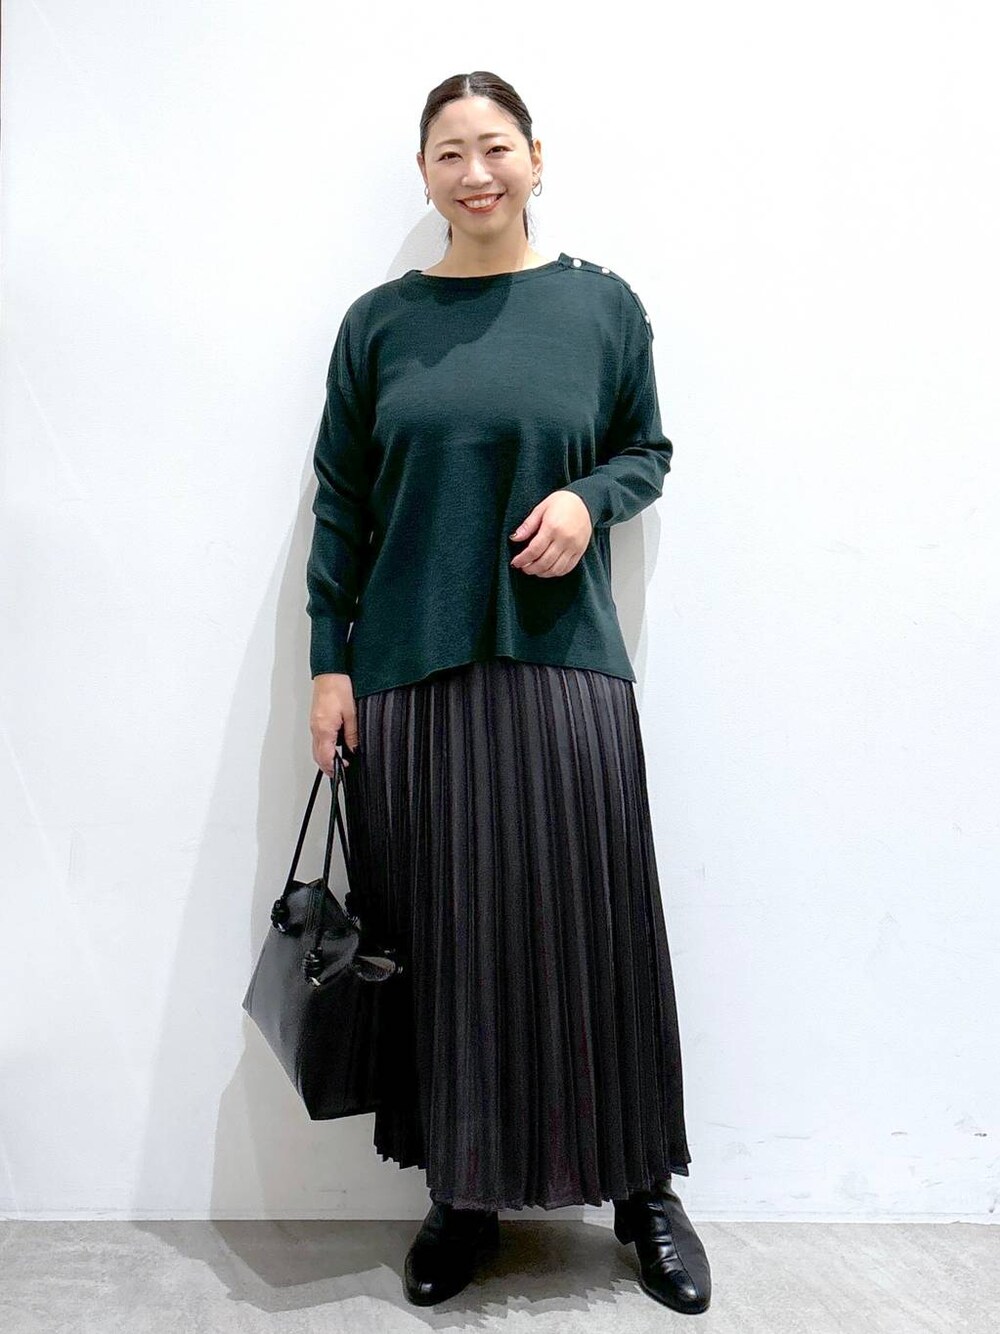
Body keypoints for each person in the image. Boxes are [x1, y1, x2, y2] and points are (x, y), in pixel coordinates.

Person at [305, 69, 711, 1315]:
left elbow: (647, 448)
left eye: (494, 147)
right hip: (409, 676)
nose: (474, 173)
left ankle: (642, 1191)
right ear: (423, 175)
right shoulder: (379, 324)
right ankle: (462, 1194)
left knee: (598, 932)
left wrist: (590, 500)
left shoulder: (601, 306)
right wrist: (328, 661)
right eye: (448, 153)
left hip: (563, 663)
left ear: (537, 156)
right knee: (443, 943)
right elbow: (341, 503)